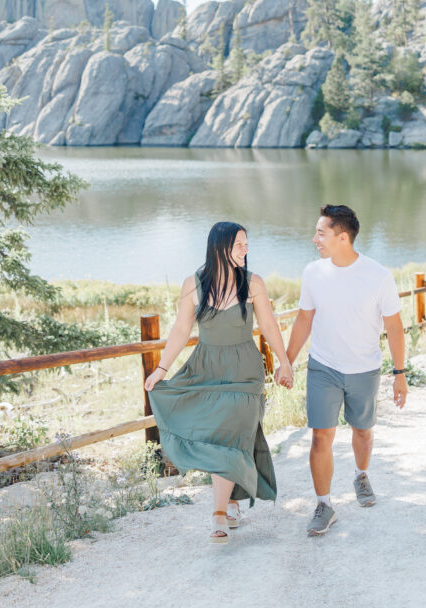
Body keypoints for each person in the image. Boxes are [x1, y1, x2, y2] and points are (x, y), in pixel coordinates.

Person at [145, 221, 292, 545]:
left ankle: (219, 513)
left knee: (234, 433)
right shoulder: (193, 285)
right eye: (240, 244)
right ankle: (230, 503)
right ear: (220, 248)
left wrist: (284, 362)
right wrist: (161, 370)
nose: (246, 250)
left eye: (246, 244)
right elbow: (181, 331)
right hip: (207, 367)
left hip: (244, 370)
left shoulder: (253, 283)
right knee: (225, 436)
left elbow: (267, 324)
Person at [281, 204, 407, 537]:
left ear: (343, 237)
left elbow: (394, 327)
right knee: (321, 436)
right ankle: (324, 504)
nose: (315, 238)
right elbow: (304, 319)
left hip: (365, 369)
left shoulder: (378, 276)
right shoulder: (313, 273)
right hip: (324, 367)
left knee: (362, 431)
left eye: (321, 233)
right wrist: (287, 360)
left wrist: (400, 373)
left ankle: (361, 475)